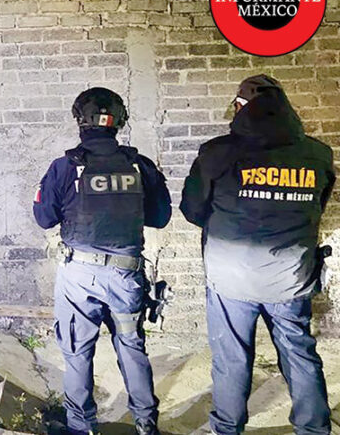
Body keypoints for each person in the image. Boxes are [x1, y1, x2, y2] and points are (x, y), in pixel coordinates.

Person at [181, 75, 334, 435]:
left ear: (241, 107)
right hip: (290, 276)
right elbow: (317, 207)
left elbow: (193, 209)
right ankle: (314, 429)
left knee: (231, 358)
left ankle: (227, 428)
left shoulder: (217, 153)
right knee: (299, 353)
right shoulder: (318, 154)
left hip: (231, 277)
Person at [33, 87, 171, 435]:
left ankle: (81, 427)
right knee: (131, 345)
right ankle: (146, 425)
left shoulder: (65, 167)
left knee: (78, 350)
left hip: (79, 275)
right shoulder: (140, 165)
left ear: (80, 121)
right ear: (119, 122)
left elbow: (44, 218)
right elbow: (160, 217)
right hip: (126, 275)